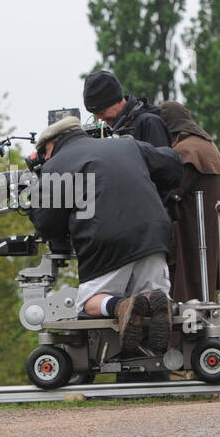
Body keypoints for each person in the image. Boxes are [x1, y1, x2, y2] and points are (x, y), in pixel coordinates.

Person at [27, 115, 182, 353]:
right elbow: (171, 162)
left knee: (89, 302)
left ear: (51, 145)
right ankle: (157, 302)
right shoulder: (126, 144)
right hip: (154, 230)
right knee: (151, 291)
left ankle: (120, 306)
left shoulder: (56, 164)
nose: (45, 159)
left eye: (44, 153)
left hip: (107, 238)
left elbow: (47, 223)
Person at [159, 101, 220, 303]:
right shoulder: (206, 145)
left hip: (189, 235)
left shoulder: (186, 150)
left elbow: (169, 195)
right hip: (207, 236)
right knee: (201, 296)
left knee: (184, 302)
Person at [82, 69, 171, 148]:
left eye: (101, 112)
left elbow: (162, 164)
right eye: (94, 114)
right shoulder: (104, 132)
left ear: (117, 100)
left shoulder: (149, 123)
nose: (98, 119)